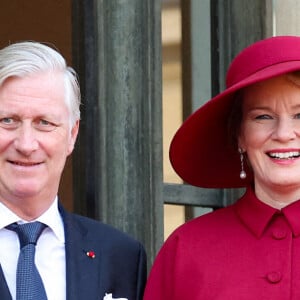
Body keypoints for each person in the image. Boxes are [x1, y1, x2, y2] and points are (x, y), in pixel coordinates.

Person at [143, 35, 300, 300]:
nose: (284, 133)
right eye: (263, 116)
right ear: (239, 136)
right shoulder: (187, 249)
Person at [0, 41, 146, 300]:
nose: (26, 144)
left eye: (44, 123)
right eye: (7, 121)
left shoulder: (120, 255)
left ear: (72, 134)